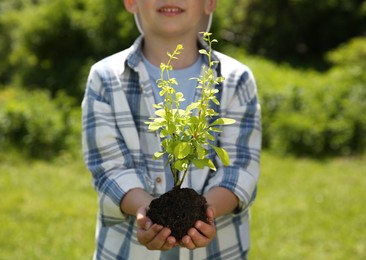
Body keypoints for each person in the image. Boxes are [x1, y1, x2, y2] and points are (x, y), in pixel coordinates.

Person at [81, 0, 261, 259]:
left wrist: (205, 214)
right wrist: (146, 212)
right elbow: (107, 167)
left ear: (210, 2)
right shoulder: (105, 78)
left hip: (219, 251)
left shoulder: (235, 79)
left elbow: (240, 167)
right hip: (126, 251)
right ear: (131, 2)